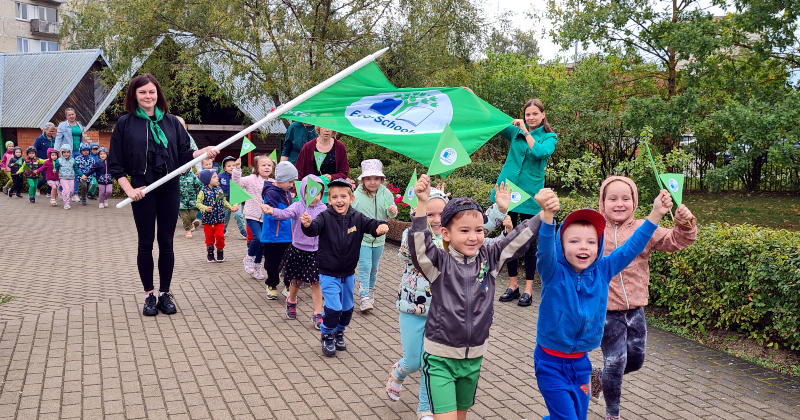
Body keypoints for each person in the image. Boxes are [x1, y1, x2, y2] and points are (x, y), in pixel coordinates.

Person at [532, 187, 671, 420]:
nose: (583, 246)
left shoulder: (604, 270)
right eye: (574, 241)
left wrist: (656, 214)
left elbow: (631, 248)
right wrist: (547, 216)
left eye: (591, 242)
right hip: (550, 363)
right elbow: (544, 250)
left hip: (581, 365)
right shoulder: (552, 272)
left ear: (599, 247)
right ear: (561, 246)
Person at [408, 174, 539, 420]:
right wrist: (422, 205)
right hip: (440, 357)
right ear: (446, 234)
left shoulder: (489, 258)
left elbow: (516, 240)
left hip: (474, 357)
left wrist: (542, 215)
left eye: (479, 230)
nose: (473, 237)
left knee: (460, 416)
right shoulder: (439, 263)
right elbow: (419, 247)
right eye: (465, 230)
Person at [386, 185, 512, 420]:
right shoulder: (414, 233)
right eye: (429, 214)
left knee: (431, 362)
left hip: (445, 321)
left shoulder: (459, 240)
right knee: (414, 361)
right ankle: (399, 371)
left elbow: (478, 228)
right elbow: (407, 251)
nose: (434, 219)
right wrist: (420, 219)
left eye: (439, 214)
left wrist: (499, 210)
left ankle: (425, 408)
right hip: (414, 307)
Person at [107, 73, 218, 317]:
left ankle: (165, 293)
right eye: (143, 92)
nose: (148, 96)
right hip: (142, 191)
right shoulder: (125, 124)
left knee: (166, 243)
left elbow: (183, 154)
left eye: (152, 92)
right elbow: (115, 164)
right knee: (145, 243)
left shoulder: (171, 123)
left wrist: (203, 151)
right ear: (134, 96)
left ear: (158, 94)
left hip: (169, 188)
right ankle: (149, 295)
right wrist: (129, 190)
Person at [590, 177, 697, 419]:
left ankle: (598, 377)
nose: (619, 204)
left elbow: (676, 241)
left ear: (635, 202)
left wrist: (684, 223)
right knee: (616, 362)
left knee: (636, 360)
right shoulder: (595, 230)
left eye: (625, 199)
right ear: (602, 202)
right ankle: (612, 414)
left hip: (635, 309)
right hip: (606, 311)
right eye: (612, 199)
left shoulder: (644, 227)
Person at [301, 178, 390, 356]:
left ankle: (339, 332)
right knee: (334, 308)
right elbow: (314, 229)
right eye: (334, 197)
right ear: (329, 200)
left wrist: (382, 226)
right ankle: (326, 334)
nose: (339, 200)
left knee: (347, 310)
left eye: (343, 196)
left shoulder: (356, 217)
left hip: (348, 274)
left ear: (351, 198)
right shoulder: (325, 216)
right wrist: (308, 225)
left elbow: (371, 224)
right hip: (328, 273)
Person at [493, 99, 558, 307]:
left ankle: (528, 290)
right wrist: (474, 98)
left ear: (542, 115)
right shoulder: (514, 131)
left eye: (534, 114)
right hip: (508, 192)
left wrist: (526, 132)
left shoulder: (550, 137)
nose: (530, 118)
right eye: (527, 114)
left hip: (531, 195)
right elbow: (494, 119)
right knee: (509, 238)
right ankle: (513, 286)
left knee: (529, 243)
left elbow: (539, 153)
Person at [261, 174, 327, 328]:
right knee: (296, 280)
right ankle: (291, 301)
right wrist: (271, 210)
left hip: (316, 252)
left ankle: (318, 313)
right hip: (298, 249)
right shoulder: (298, 206)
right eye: (310, 193)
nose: (315, 197)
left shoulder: (324, 209)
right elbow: (284, 214)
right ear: (302, 192)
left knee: (316, 283)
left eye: (318, 193)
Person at [352, 159, 398, 311]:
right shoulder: (356, 195)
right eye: (368, 179)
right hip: (363, 238)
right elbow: (350, 213)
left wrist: (393, 210)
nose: (372, 182)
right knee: (365, 266)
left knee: (374, 267)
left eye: (376, 178)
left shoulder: (386, 193)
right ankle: (364, 297)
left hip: (380, 238)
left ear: (381, 179)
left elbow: (392, 211)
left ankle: (371, 292)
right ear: (363, 179)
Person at [233, 155, 275, 280]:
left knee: (263, 243)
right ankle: (249, 258)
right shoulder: (251, 179)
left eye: (269, 165)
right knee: (257, 237)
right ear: (256, 167)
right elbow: (237, 182)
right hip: (252, 214)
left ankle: (257, 265)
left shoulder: (273, 182)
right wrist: (237, 169)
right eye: (263, 165)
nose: (267, 167)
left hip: (266, 216)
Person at [261, 161, 297, 299]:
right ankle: (271, 284)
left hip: (288, 236)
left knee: (289, 263)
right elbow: (271, 214)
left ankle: (288, 286)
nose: (292, 185)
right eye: (290, 181)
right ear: (280, 179)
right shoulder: (271, 193)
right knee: (272, 264)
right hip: (273, 237)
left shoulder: (286, 192)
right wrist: (279, 213)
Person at [196, 170, 232, 263]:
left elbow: (223, 201)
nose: (217, 178)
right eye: (214, 177)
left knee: (220, 236)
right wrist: (204, 208)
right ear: (207, 179)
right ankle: (210, 253)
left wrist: (230, 208)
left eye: (217, 176)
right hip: (208, 220)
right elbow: (198, 203)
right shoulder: (202, 191)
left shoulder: (219, 189)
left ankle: (220, 251)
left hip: (219, 219)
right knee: (209, 238)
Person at [54, 108, 85, 202]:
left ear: (75, 114)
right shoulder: (62, 125)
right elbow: (58, 139)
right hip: (67, 153)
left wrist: (83, 149)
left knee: (76, 172)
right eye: (69, 115)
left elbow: (81, 139)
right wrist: (55, 151)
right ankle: (61, 188)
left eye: (73, 114)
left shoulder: (79, 125)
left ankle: (74, 193)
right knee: (66, 172)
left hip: (78, 152)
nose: (71, 116)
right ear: (66, 116)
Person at [218, 156, 247, 238]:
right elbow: (216, 185)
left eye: (233, 165)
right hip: (225, 200)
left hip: (236, 200)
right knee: (224, 216)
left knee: (238, 215)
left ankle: (243, 230)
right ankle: (223, 229)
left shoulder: (238, 175)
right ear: (224, 168)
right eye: (229, 166)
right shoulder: (220, 176)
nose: (231, 167)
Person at [33, 123, 57, 196]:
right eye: (50, 131)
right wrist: (35, 159)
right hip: (42, 160)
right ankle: (38, 187)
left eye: (53, 131)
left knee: (52, 176)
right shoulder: (40, 139)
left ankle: (49, 192)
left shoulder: (54, 139)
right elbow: (34, 149)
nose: (51, 133)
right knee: (45, 176)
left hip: (52, 161)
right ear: (45, 129)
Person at [179, 168, 203, 238]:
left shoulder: (192, 176)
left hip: (192, 201)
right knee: (185, 217)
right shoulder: (176, 176)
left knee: (193, 216)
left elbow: (199, 186)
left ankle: (191, 224)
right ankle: (187, 230)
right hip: (181, 202)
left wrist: (201, 195)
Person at [54, 145, 79, 209]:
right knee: (66, 190)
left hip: (71, 178)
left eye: (68, 152)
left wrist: (82, 175)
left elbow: (76, 169)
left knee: (71, 191)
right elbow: (56, 167)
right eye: (64, 152)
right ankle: (66, 203)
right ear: (62, 153)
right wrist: (55, 170)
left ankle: (64, 195)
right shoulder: (59, 160)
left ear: (70, 153)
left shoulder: (73, 160)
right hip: (63, 178)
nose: (66, 154)